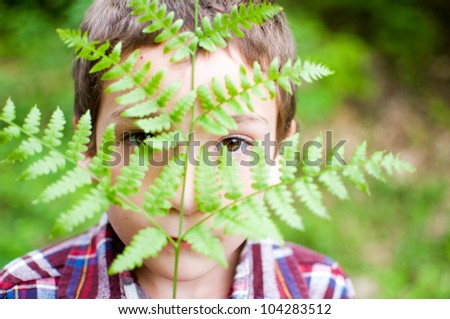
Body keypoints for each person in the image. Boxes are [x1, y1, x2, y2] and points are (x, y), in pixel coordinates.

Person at [0, 0, 354, 299]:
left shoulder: (321, 291)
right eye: (142, 140)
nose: (185, 200)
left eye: (233, 144)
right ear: (88, 146)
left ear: (280, 155)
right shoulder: (25, 295)